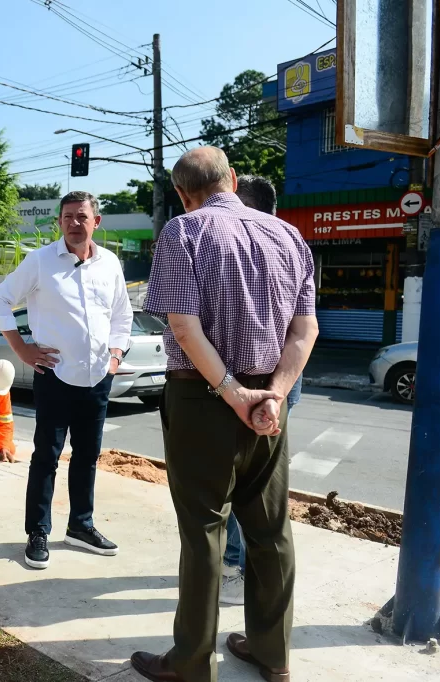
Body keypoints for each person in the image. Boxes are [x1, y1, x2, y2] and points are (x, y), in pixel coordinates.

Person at [131, 147, 318, 682]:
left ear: (183, 195)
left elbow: (185, 329)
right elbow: (305, 331)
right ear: (232, 179)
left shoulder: (183, 232)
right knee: (271, 531)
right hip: (269, 404)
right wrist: (275, 394)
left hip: (203, 398)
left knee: (204, 532)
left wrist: (233, 393)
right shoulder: (287, 235)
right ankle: (273, 654)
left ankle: (191, 664)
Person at [0, 190, 133, 569]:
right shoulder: (39, 262)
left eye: (81, 216)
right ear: (60, 222)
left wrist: (116, 355)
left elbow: (122, 314)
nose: (73, 223)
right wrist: (21, 350)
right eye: (67, 216)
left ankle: (80, 526)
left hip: (98, 377)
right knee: (47, 457)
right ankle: (38, 531)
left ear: (96, 222)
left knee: (87, 456)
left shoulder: (110, 264)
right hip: (54, 376)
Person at [220, 174, 305, 606]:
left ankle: (235, 566)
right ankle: (258, 575)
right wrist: (279, 392)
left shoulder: (242, 246)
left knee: (240, 481)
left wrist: (250, 392)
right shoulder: (293, 242)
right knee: (267, 487)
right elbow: (303, 329)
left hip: (250, 384)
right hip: (285, 382)